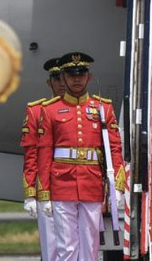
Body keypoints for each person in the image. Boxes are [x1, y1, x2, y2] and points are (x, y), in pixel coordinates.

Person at [37, 52, 125, 261]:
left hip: (91, 182)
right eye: (71, 75)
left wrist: (118, 185)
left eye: (81, 74)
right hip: (61, 183)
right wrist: (43, 192)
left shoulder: (103, 108)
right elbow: (44, 153)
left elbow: (114, 148)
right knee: (66, 246)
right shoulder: (50, 111)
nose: (76, 79)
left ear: (89, 77)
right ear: (63, 78)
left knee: (90, 245)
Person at [21, 57, 65, 260]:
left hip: (78, 183)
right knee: (51, 247)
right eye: (56, 78)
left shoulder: (87, 109)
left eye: (64, 76)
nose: (62, 83)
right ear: (50, 83)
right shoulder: (37, 111)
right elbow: (31, 155)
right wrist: (30, 192)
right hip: (47, 186)